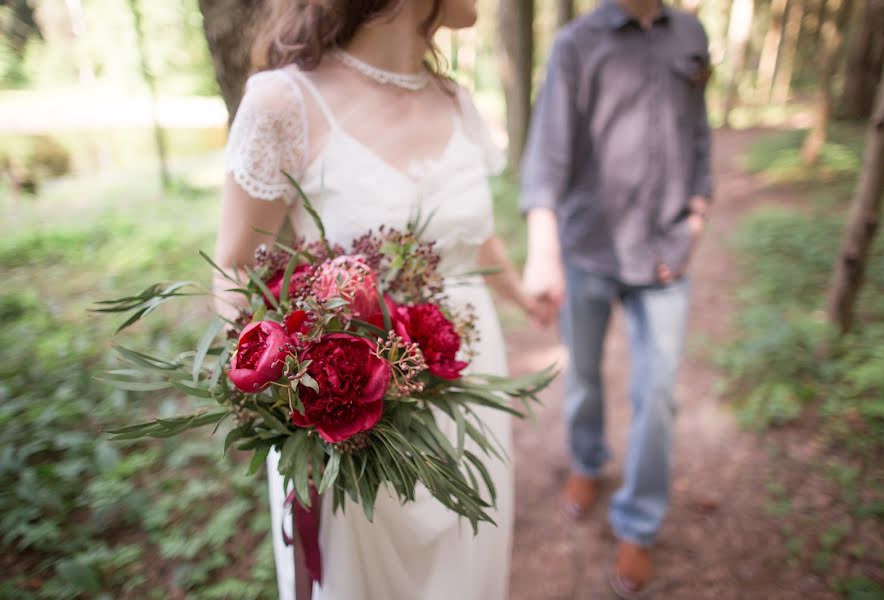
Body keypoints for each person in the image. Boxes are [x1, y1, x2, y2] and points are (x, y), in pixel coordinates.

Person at [213, 1, 545, 598]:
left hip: (472, 385)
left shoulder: (456, 101)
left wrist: (524, 292)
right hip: (352, 417)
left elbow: (472, 237)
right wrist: (292, 383)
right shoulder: (283, 103)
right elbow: (234, 266)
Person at [520, 0, 713, 596]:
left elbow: (698, 130)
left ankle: (639, 521)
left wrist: (698, 209)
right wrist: (544, 248)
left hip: (665, 253)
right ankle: (585, 460)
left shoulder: (691, 32)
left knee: (657, 394)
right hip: (588, 248)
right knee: (582, 374)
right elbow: (548, 152)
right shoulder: (577, 43)